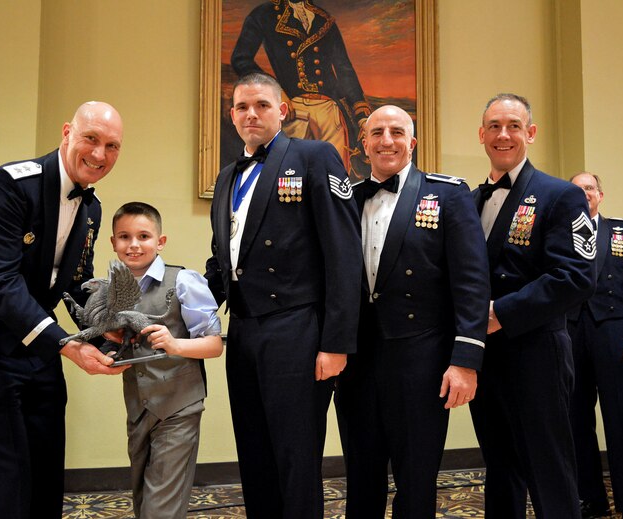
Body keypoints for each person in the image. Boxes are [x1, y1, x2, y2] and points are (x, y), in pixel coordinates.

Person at [0, 101, 127, 519]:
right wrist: (67, 345)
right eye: (91, 139)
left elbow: (76, 281)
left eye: (112, 146)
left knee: (44, 475)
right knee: (1, 481)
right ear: (67, 132)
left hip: (38, 349)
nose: (99, 154)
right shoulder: (6, 187)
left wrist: (104, 328)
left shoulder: (91, 208)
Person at [204, 72, 362, 519]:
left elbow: (344, 254)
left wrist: (336, 342)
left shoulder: (314, 156)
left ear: (282, 111)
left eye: (261, 105)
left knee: (295, 457)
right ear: (231, 115)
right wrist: (185, 314)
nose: (250, 114)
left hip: (297, 329)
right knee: (253, 452)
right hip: (245, 330)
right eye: (241, 107)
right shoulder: (227, 175)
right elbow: (223, 260)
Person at [335, 105, 491, 518]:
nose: (387, 140)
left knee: (417, 478)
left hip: (421, 361)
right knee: (360, 475)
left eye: (397, 132)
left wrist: (466, 360)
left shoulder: (447, 194)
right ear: (363, 143)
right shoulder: (345, 200)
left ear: (413, 142)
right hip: (357, 360)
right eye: (378, 132)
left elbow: (472, 282)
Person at [468, 93, 596, 518]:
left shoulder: (560, 196)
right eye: (495, 127)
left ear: (531, 133)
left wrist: (499, 314)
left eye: (514, 126)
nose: (503, 135)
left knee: (549, 470)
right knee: (499, 470)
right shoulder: (469, 201)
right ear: (481, 134)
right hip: (486, 359)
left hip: (536, 353)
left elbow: (576, 277)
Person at [105, 202, 223, 519]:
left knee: (162, 505)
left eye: (143, 235)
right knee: (144, 497)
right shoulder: (114, 291)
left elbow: (214, 345)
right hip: (138, 406)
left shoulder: (184, 281)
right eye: (124, 236)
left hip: (179, 405)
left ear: (160, 242)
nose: (133, 244)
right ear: (113, 243)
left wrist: (174, 344)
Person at [567, 172, 623, 519]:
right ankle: (591, 499)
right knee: (576, 421)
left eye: (589, 188)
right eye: (576, 189)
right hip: (570, 334)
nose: (584, 193)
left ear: (600, 195)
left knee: (620, 419)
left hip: (615, 336)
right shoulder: (557, 233)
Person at [231, 0, 372, 182]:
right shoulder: (263, 15)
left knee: (335, 184)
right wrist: (275, 91)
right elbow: (240, 59)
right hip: (293, 111)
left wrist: (361, 115)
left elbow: (345, 71)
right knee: (290, 185)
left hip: (330, 113)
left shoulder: (324, 19)